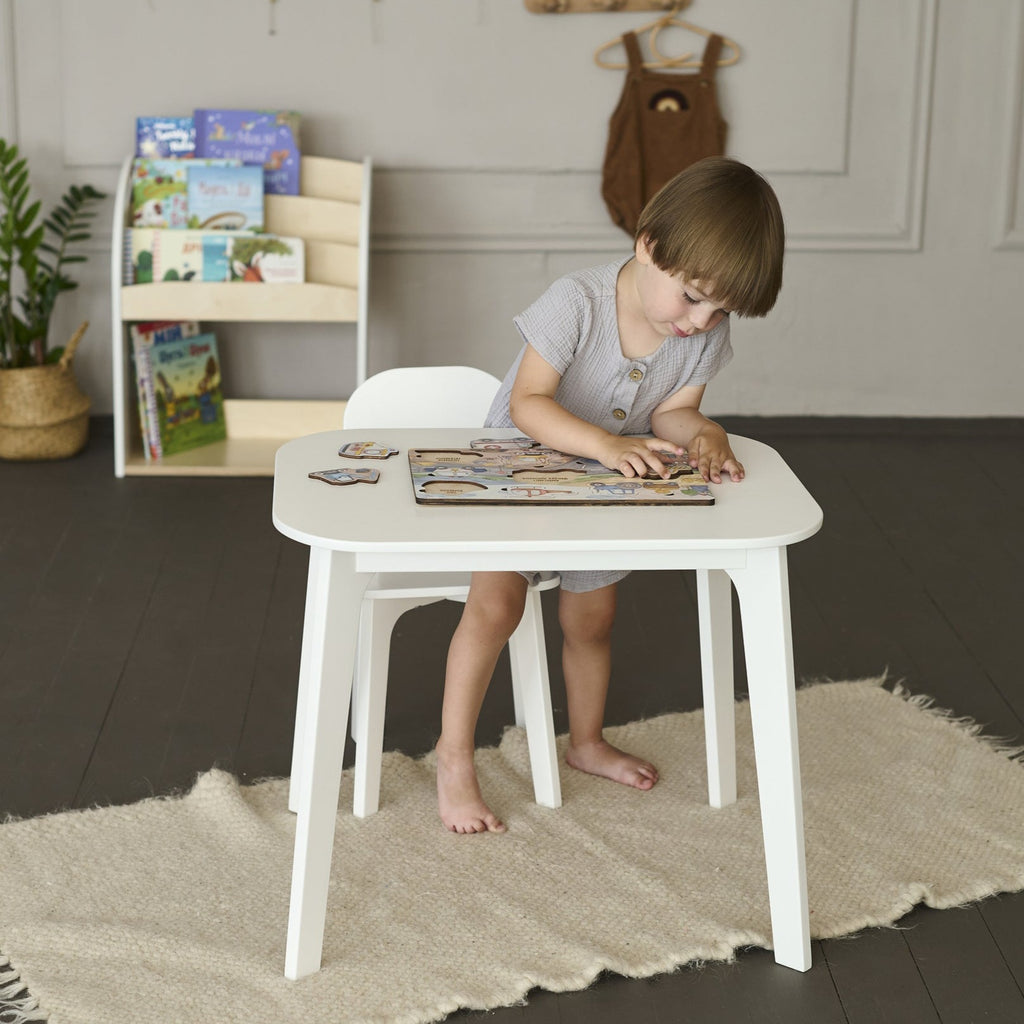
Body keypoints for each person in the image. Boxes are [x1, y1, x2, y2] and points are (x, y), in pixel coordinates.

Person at [436, 156, 785, 833]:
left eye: (722, 311)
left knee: (591, 621)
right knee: (496, 606)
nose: (702, 321)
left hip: (604, 485)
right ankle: (454, 757)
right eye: (692, 297)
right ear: (648, 246)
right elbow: (528, 403)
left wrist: (704, 431)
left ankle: (586, 742)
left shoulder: (701, 335)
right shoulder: (578, 302)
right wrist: (602, 444)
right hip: (521, 468)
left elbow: (671, 415)